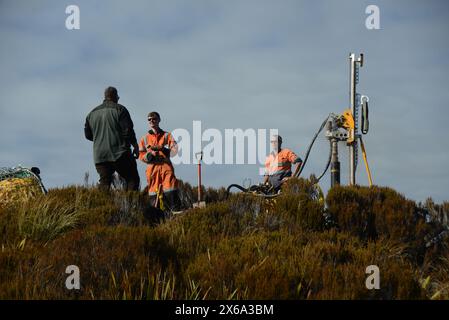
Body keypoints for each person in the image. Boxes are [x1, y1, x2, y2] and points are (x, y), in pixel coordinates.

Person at [84, 86, 140, 191]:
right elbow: (128, 131)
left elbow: (88, 135)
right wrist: (135, 145)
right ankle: (131, 204)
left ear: (105, 97)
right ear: (115, 96)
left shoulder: (91, 114)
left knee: (104, 183)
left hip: (100, 156)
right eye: (117, 96)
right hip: (119, 153)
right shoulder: (120, 109)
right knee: (132, 179)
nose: (118, 98)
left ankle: (103, 206)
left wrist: (100, 139)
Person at [138, 111, 180, 210]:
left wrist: (162, 149)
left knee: (171, 191)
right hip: (152, 169)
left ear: (159, 120)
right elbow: (140, 154)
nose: (151, 121)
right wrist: (149, 156)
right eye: (149, 119)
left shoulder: (167, 136)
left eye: (154, 119)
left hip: (165, 167)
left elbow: (175, 150)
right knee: (153, 195)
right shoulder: (144, 139)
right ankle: (156, 219)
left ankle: (174, 215)